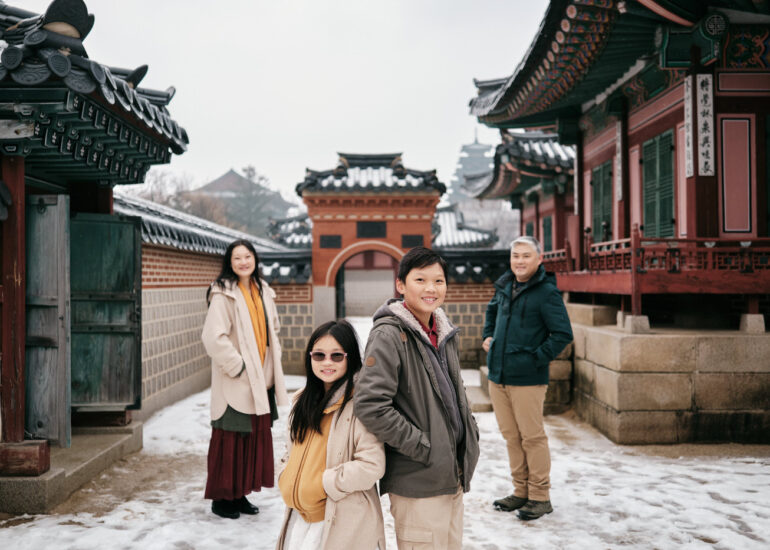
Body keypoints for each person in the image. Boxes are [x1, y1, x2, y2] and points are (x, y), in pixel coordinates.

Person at [355, 246, 480, 550]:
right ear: (401, 285)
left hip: (451, 473)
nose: (431, 289)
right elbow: (370, 404)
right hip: (418, 480)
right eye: (420, 280)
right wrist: (423, 445)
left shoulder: (442, 330)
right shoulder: (389, 334)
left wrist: (469, 431)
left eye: (438, 281)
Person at [482, 236, 573, 521]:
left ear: (539, 259)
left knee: (532, 437)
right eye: (515, 256)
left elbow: (562, 334)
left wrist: (535, 358)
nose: (519, 261)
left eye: (525, 256)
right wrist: (488, 336)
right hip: (498, 375)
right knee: (512, 437)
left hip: (528, 378)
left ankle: (540, 496)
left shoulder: (546, 292)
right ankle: (520, 491)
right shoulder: (505, 285)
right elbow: (492, 310)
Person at [276, 320, 386, 550]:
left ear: (350, 358)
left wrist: (323, 483)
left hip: (340, 521)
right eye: (319, 355)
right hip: (299, 519)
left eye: (337, 356)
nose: (327, 363)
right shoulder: (301, 400)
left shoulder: (360, 405)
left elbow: (372, 465)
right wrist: (287, 475)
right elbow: (290, 450)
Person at [201, 239, 289, 519]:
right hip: (236, 375)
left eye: (247, 256)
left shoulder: (262, 290)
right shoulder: (223, 292)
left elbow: (273, 328)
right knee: (230, 436)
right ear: (229, 262)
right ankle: (221, 498)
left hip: (261, 374)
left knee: (251, 437)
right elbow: (213, 336)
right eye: (236, 258)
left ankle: (239, 495)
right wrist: (237, 366)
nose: (243, 262)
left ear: (255, 259)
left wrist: (271, 361)